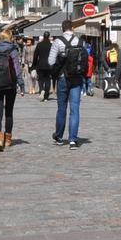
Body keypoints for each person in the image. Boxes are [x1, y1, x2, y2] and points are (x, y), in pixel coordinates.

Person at [48, 20, 85, 149]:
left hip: (63, 78)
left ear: (62, 28)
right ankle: (73, 140)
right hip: (77, 78)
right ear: (73, 28)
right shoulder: (80, 41)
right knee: (75, 110)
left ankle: (59, 137)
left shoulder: (58, 42)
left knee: (62, 108)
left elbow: (51, 61)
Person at [0, 32, 24, 151]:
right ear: (9, 38)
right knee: (9, 112)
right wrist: (21, 84)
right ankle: (7, 139)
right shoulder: (13, 50)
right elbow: (17, 68)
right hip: (10, 85)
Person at [34, 33, 53, 101]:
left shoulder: (39, 44)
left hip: (40, 65)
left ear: (43, 36)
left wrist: (34, 65)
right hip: (49, 65)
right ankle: (46, 96)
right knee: (48, 80)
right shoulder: (51, 45)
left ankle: (41, 90)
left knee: (41, 80)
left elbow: (35, 55)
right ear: (49, 37)